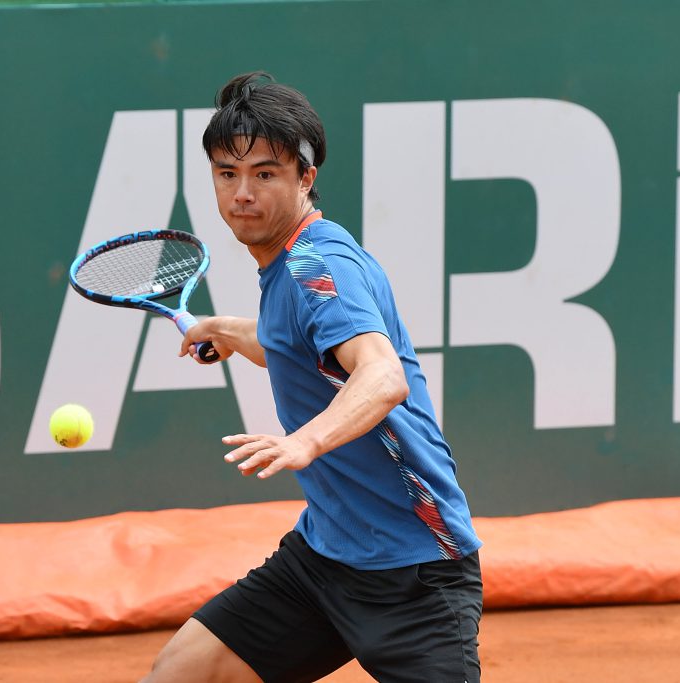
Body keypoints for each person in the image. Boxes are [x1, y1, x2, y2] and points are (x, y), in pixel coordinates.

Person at [141, 71, 483, 683]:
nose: (242, 193)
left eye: (265, 174)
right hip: (322, 559)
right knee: (178, 677)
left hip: (414, 569)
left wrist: (305, 442)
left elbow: (381, 377)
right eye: (227, 174)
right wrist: (231, 331)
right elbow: (299, 346)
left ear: (305, 178)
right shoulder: (288, 263)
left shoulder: (317, 266)